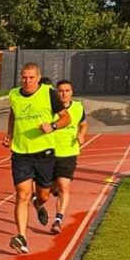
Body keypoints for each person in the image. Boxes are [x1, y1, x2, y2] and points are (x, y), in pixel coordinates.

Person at [3, 62, 71, 253]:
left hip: (44, 153)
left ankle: (39, 204)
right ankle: (22, 237)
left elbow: (66, 118)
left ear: (38, 78)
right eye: (24, 77)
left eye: (31, 77)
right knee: (22, 194)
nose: (27, 81)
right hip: (21, 153)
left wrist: (53, 126)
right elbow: (13, 114)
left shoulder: (49, 93)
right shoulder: (14, 94)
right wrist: (9, 133)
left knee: (43, 194)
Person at [48, 79, 88, 231]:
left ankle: (58, 220)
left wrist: (81, 134)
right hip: (49, 152)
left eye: (67, 91)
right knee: (47, 190)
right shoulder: (50, 108)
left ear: (72, 92)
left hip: (69, 152)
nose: (64, 94)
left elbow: (83, 123)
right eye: (61, 91)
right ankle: (47, 194)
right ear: (56, 93)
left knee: (64, 186)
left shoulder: (78, 107)